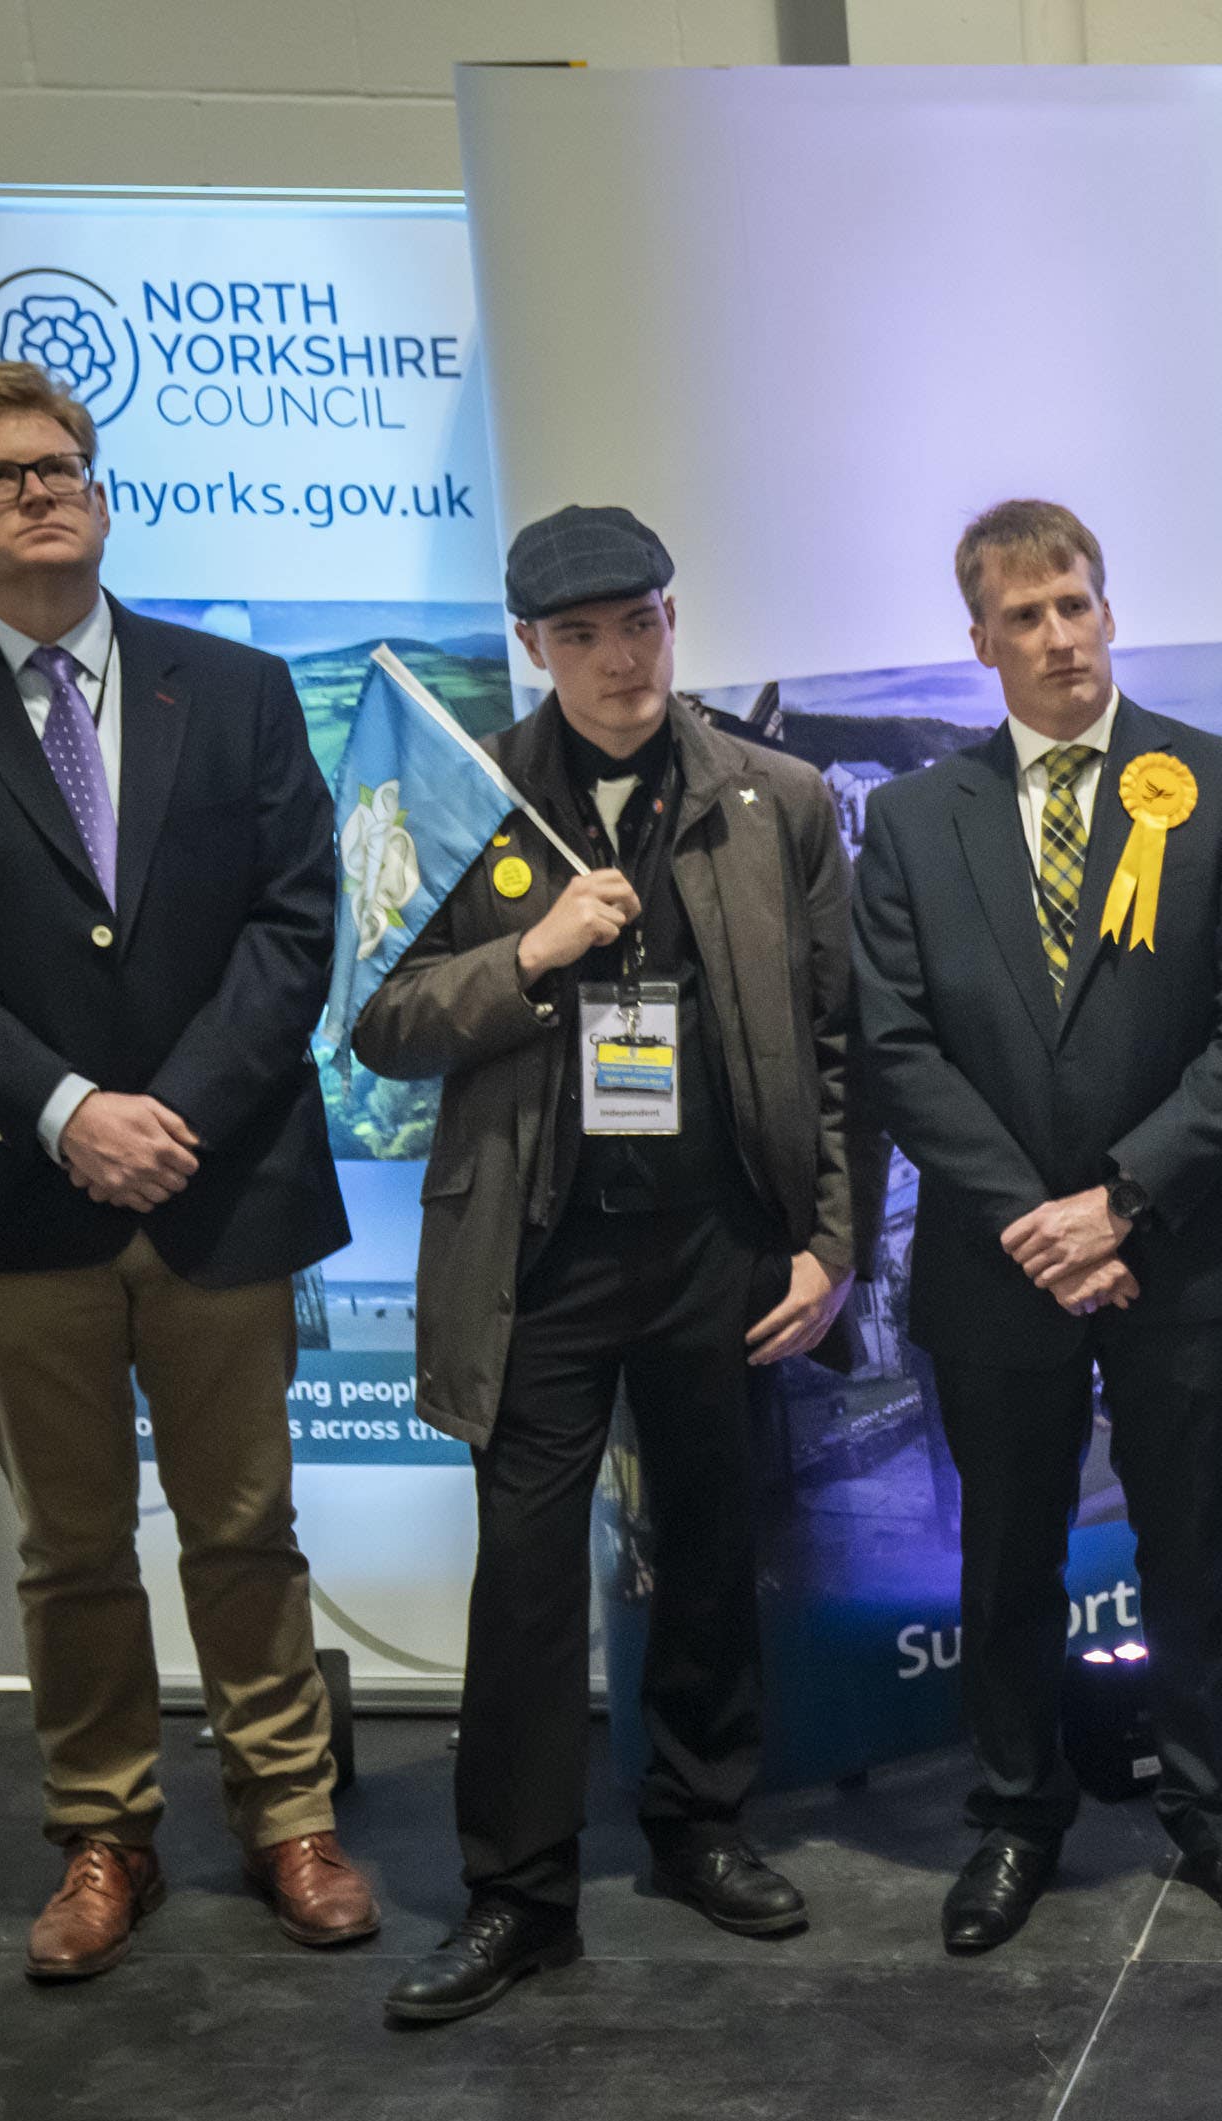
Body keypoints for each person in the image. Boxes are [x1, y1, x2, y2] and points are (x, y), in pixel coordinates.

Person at [0, 360, 373, 1981]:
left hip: (220, 1176)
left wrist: (168, 1109)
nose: (37, 490)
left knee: (247, 1523)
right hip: (16, 1187)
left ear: (101, 492)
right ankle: (103, 1829)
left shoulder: (238, 688)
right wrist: (65, 1109)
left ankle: (289, 1814)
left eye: (59, 465)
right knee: (66, 1541)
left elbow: (293, 920)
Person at [351, 506, 863, 2024]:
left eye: (637, 621)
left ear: (672, 616)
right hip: (540, 1252)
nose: (618, 658)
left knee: (712, 1542)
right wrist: (534, 955)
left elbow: (842, 1046)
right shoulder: (464, 799)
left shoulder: (777, 800)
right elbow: (381, 1020)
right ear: (534, 647)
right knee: (522, 1575)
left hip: (719, 1238)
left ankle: (704, 1823)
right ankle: (519, 1892)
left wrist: (831, 1237)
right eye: (579, 635)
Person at [852, 499, 1222, 1950]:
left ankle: (1215, 1801)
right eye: (1027, 616)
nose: (1059, 637)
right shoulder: (918, 821)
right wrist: (1034, 1220)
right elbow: (897, 1043)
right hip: (1000, 1267)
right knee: (1005, 1557)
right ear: (979, 639)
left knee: (1196, 1541)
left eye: (1079, 605)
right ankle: (1013, 1812)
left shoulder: (1216, 783)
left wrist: (1116, 1199)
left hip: (1179, 1241)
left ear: (1110, 613)